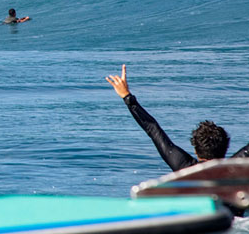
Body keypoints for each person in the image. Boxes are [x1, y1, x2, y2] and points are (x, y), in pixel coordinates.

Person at [105, 64, 249, 170]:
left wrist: (127, 97)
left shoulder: (184, 167)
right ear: (226, 146)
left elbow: (152, 129)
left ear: (196, 150)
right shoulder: (235, 169)